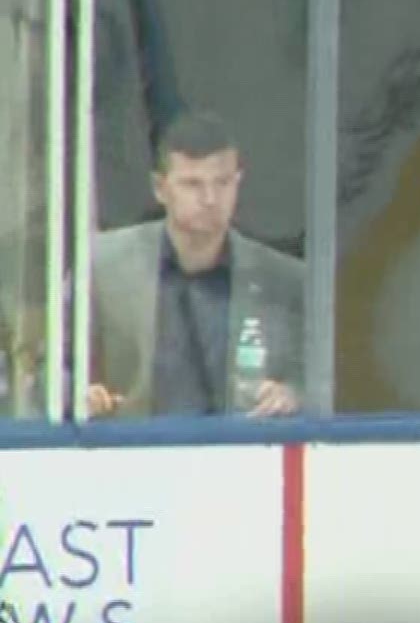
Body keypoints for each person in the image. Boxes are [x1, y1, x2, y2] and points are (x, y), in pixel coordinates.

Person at [87, 111, 304, 420]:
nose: (210, 198)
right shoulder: (105, 265)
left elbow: (316, 376)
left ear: (239, 181)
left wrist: (291, 394)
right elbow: (51, 365)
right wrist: (79, 392)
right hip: (133, 455)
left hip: (243, 457)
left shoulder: (281, 279)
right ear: (160, 189)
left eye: (223, 182)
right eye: (192, 184)